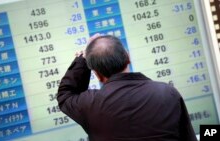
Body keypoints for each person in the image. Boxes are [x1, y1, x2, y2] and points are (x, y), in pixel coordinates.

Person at [57, 34, 197, 141]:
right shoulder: (167, 93)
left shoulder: (90, 105)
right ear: (128, 57)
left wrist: (82, 58)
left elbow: (66, 95)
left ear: (98, 75)